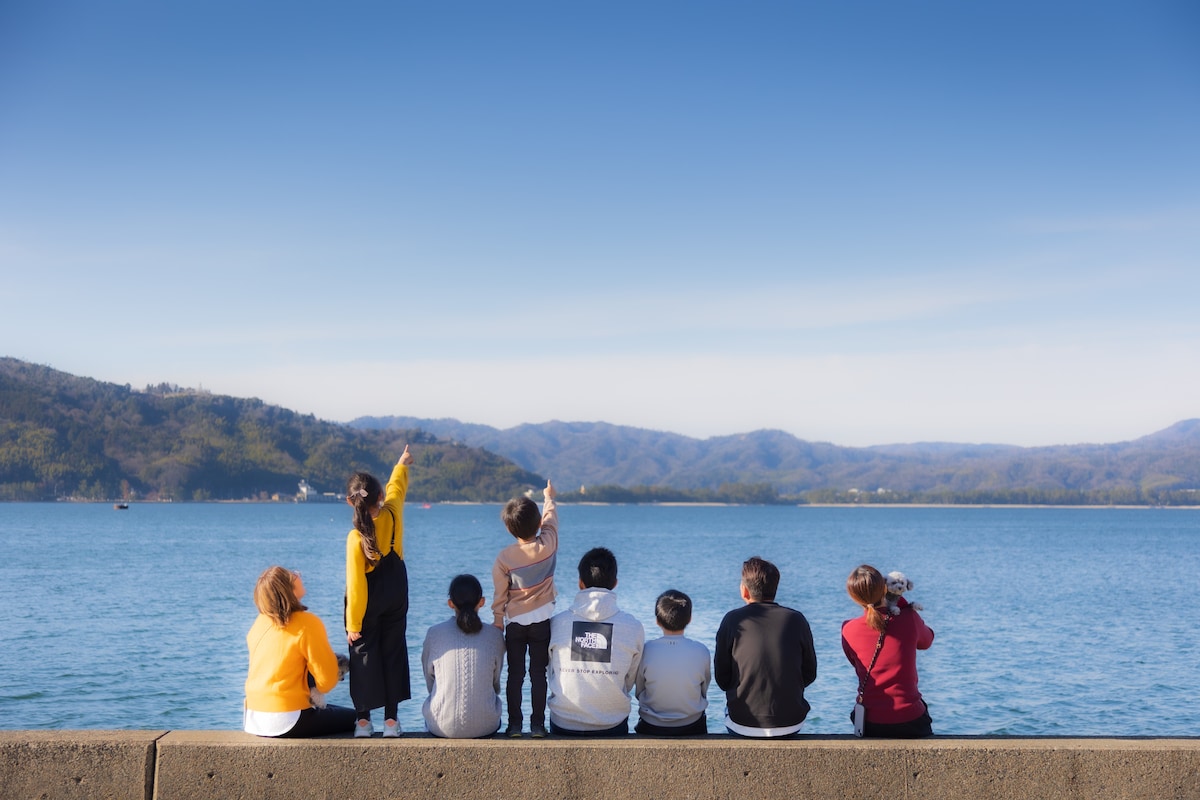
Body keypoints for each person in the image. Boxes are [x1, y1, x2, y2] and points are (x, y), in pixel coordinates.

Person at [344, 444, 414, 738]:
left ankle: (362, 722)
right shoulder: (393, 513)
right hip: (396, 589)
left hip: (369, 598)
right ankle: (390, 722)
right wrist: (402, 464)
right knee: (393, 652)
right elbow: (396, 488)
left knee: (362, 655)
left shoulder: (355, 537)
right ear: (380, 498)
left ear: (351, 503)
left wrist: (353, 624)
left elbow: (356, 584)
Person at [243, 566, 356, 738]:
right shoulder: (308, 623)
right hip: (288, 719)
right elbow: (326, 682)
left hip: (253, 718)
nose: (299, 575)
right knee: (359, 719)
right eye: (293, 575)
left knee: (335, 711)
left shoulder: (259, 623)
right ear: (288, 589)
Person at [714, 556, 817, 737]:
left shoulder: (732, 620)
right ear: (775, 589)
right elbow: (809, 674)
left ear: (745, 591)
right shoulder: (796, 619)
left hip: (742, 723)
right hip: (790, 723)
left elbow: (722, 679)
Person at [547, 547, 644, 736]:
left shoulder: (557, 623)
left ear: (580, 583)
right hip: (612, 722)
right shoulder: (633, 627)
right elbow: (630, 678)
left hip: (563, 721)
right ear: (615, 583)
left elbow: (550, 668)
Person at [491, 479, 558, 738]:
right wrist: (549, 497)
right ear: (538, 522)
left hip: (515, 623)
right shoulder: (548, 543)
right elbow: (551, 519)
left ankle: (515, 725)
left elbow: (500, 594)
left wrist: (498, 620)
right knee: (538, 673)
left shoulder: (504, 558)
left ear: (509, 529)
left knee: (515, 675)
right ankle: (538, 725)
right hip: (542, 620)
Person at [841, 564, 935, 738]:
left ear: (854, 597)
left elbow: (855, 661)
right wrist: (902, 603)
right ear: (883, 587)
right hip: (911, 717)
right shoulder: (909, 618)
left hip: (870, 720)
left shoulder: (848, 629)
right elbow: (927, 640)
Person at [421, 574, 506, 738]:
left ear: (450, 603)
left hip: (441, 726)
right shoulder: (495, 636)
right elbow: (495, 681)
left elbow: (429, 678)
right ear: (482, 602)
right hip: (486, 725)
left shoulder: (434, 633)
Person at [634, 589, 711, 736]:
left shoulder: (646, 650)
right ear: (690, 619)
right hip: (692, 723)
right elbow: (703, 689)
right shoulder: (701, 650)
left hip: (651, 724)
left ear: (657, 620)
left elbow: (639, 690)